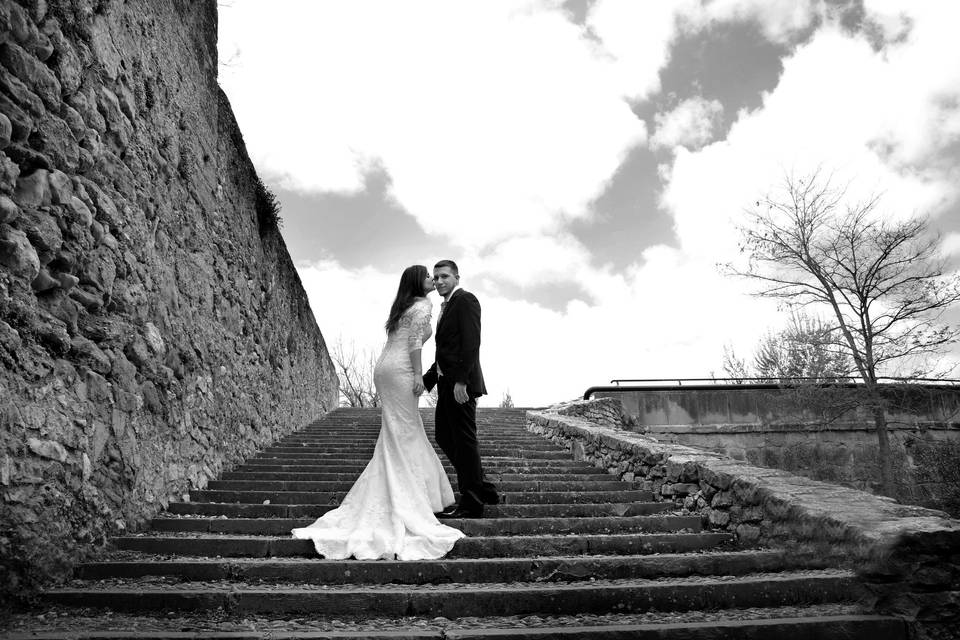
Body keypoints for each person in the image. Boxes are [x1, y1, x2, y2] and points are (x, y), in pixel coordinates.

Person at [292, 265, 464, 560]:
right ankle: (411, 495)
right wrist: (418, 375)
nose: (432, 281)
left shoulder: (402, 306)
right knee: (406, 430)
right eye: (427, 277)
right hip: (400, 371)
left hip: (384, 369)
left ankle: (418, 491)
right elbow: (413, 343)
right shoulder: (423, 304)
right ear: (417, 282)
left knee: (399, 431)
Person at [423, 260, 499, 519]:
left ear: (457, 277)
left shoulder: (466, 300)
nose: (439, 281)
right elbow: (446, 350)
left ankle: (472, 501)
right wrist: (427, 380)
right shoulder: (446, 306)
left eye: (444, 276)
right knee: (444, 436)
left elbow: (471, 342)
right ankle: (481, 486)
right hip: (446, 383)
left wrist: (462, 381)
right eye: (435, 278)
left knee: (464, 440)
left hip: (460, 384)